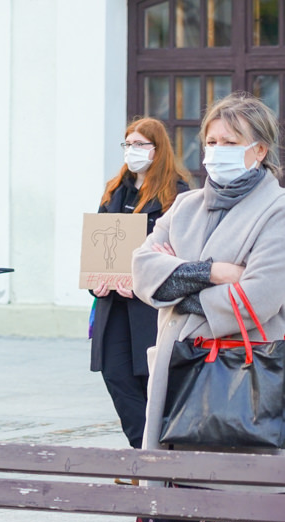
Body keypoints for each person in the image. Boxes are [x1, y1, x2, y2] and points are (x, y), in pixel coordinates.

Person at [130, 93, 285, 522]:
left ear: (259, 150)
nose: (216, 150)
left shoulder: (277, 211)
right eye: (211, 140)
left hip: (244, 379)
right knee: (175, 502)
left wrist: (178, 286)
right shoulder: (185, 205)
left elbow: (259, 298)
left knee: (238, 503)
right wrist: (214, 270)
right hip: (177, 377)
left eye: (230, 141)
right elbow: (144, 271)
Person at [90, 117, 190, 452]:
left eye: (140, 145)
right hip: (113, 304)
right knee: (116, 376)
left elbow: (180, 252)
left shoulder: (178, 195)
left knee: (153, 380)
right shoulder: (115, 190)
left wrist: (148, 278)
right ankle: (143, 452)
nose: (132, 151)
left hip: (150, 308)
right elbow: (97, 244)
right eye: (128, 145)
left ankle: (164, 453)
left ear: (158, 150)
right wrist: (96, 282)